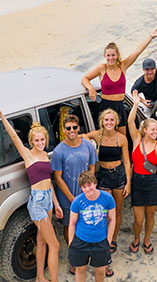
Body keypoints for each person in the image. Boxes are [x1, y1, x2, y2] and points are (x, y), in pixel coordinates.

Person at [0, 108, 62, 282]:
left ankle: (40, 277)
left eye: (42, 139)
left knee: (42, 241)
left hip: (49, 199)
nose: (40, 142)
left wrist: (56, 204)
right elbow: (13, 137)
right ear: (31, 141)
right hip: (37, 202)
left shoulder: (44, 155)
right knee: (55, 245)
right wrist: (1, 116)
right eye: (37, 140)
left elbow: (48, 181)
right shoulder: (28, 155)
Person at [81, 28, 157, 137]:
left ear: (117, 56)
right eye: (108, 55)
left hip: (120, 106)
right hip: (105, 105)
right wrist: (91, 89)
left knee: (122, 138)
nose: (111, 58)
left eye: (113, 55)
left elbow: (137, 51)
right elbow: (85, 79)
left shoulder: (123, 66)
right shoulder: (101, 68)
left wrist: (151, 37)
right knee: (105, 137)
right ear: (105, 56)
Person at [126, 90, 157, 255]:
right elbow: (130, 121)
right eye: (152, 129)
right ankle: (137, 238)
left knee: (150, 216)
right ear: (144, 130)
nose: (156, 132)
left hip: (152, 183)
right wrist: (135, 103)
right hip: (138, 181)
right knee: (138, 219)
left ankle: (146, 240)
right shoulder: (137, 140)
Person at [80, 108, 131, 255]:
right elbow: (83, 136)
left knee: (117, 210)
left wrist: (128, 182)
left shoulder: (121, 138)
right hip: (102, 175)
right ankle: (103, 238)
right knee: (103, 212)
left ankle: (113, 239)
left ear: (116, 122)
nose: (109, 122)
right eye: (106, 120)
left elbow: (127, 162)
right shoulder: (97, 135)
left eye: (112, 120)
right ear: (102, 121)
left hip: (119, 175)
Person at [51, 114, 96, 275]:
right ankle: (74, 258)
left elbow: (92, 168)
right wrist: (71, 198)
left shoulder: (88, 146)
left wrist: (90, 190)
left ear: (79, 128)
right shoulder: (58, 151)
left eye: (74, 128)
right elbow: (57, 177)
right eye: (68, 128)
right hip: (67, 198)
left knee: (87, 226)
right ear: (63, 130)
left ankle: (89, 254)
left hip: (86, 196)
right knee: (69, 227)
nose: (71, 131)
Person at [68, 171, 116, 282]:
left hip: (100, 241)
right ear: (81, 188)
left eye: (89, 185)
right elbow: (72, 223)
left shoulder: (107, 198)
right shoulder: (77, 201)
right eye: (84, 187)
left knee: (100, 270)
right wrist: (71, 241)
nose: (88, 189)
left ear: (95, 183)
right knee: (80, 270)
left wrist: (108, 240)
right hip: (81, 240)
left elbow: (112, 219)